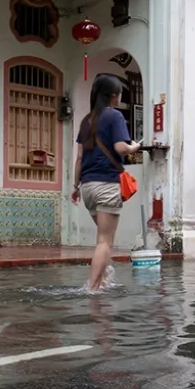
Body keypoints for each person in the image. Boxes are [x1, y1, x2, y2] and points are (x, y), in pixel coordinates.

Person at [70, 74, 141, 291]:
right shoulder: (115, 116)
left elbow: (80, 157)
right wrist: (134, 147)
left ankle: (102, 279)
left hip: (88, 187)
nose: (120, 98)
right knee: (104, 241)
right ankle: (92, 289)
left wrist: (75, 187)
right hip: (107, 185)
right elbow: (120, 147)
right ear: (113, 96)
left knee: (103, 239)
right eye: (119, 94)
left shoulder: (86, 121)